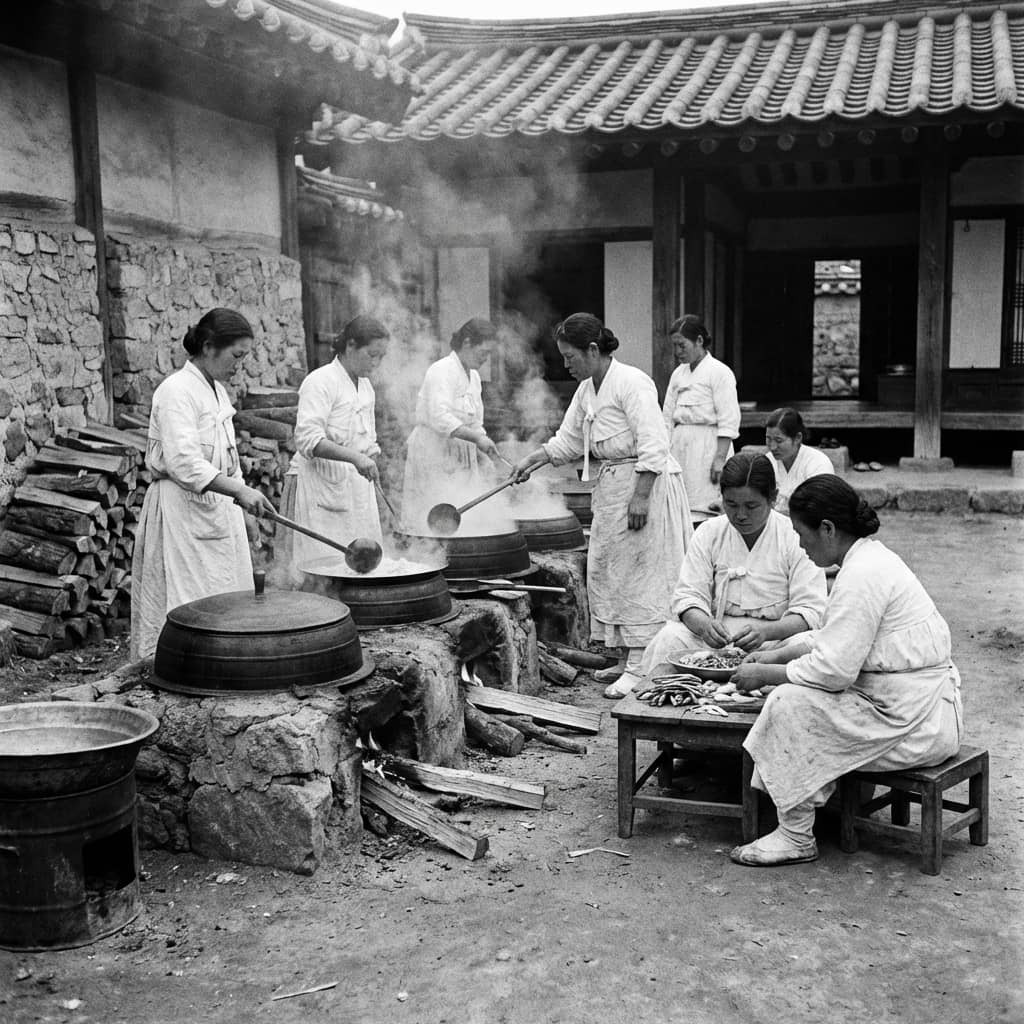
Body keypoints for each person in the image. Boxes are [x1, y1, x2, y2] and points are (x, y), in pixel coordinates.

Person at [729, 475, 963, 867]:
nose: (802, 547)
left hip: (912, 720)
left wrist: (767, 675)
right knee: (793, 693)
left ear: (828, 528)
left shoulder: (863, 573)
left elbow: (834, 669)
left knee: (788, 703)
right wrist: (776, 655)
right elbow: (832, 636)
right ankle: (805, 813)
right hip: (903, 704)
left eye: (803, 535)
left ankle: (796, 834)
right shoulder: (867, 558)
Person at [511, 313, 690, 694]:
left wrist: (641, 496)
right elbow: (569, 441)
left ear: (593, 350)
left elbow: (655, 442)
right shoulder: (586, 390)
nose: (566, 365)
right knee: (613, 569)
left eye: (570, 357)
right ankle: (626, 656)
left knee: (641, 572)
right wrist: (532, 460)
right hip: (613, 485)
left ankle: (644, 663)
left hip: (646, 484)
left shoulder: (632, 382)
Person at [130, 308, 275, 660]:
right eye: (236, 355)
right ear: (209, 347)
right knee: (188, 604)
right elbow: (183, 462)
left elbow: (229, 458)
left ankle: (223, 666)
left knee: (226, 598)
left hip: (217, 510)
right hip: (181, 512)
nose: (239, 364)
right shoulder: (176, 391)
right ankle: (180, 669)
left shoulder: (217, 393)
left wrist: (244, 509)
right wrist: (239, 491)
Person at [621, 452, 827, 697]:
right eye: (731, 504)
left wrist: (766, 633)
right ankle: (662, 718)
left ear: (773, 498)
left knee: (809, 646)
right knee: (670, 637)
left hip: (776, 642)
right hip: (714, 640)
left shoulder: (793, 536)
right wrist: (705, 626)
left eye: (751, 506)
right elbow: (688, 598)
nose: (740, 515)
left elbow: (810, 611)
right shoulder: (709, 532)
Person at [285, 315, 389, 569]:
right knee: (323, 567)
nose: (375, 363)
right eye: (371, 355)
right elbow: (308, 440)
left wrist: (371, 458)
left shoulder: (366, 388)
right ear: (351, 345)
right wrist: (355, 458)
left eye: (381, 357)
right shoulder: (320, 381)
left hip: (356, 489)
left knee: (361, 564)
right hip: (322, 487)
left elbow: (367, 439)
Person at [402, 317, 502, 530]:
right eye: (483, 352)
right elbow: (440, 417)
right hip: (433, 452)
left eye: (488, 354)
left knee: (460, 509)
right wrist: (477, 438)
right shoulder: (442, 370)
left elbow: (476, 421)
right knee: (432, 509)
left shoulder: (473, 377)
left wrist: (485, 453)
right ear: (467, 343)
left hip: (461, 453)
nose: (485, 359)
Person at [663, 314, 741, 528]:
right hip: (679, 447)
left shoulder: (719, 372)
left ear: (698, 340)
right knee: (680, 508)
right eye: (675, 346)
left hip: (708, 446)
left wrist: (720, 459)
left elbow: (728, 419)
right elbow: (667, 417)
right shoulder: (678, 374)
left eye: (682, 345)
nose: (677, 351)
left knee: (707, 508)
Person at [763, 407, 835, 515]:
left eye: (779, 440)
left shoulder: (818, 463)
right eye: (768, 439)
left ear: (797, 438)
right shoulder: (767, 461)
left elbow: (819, 506)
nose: (772, 447)